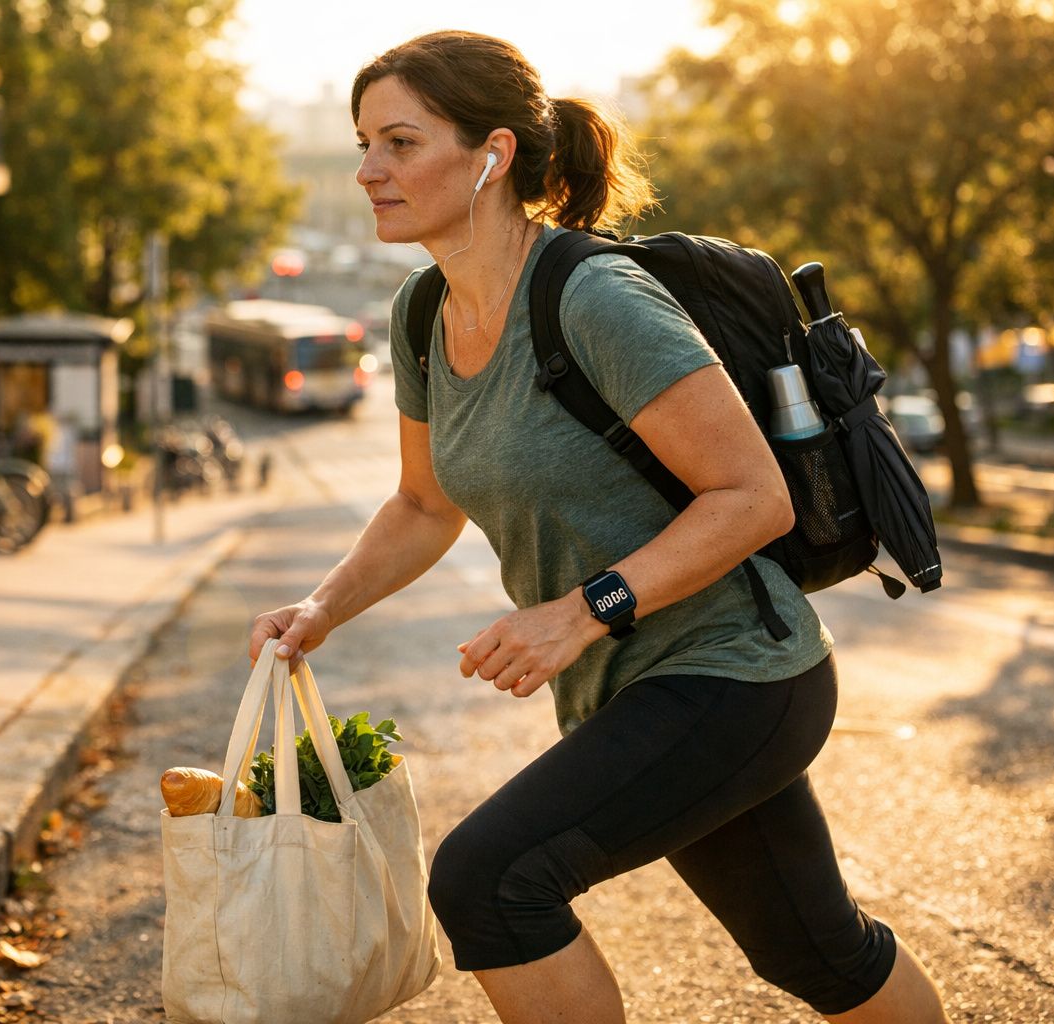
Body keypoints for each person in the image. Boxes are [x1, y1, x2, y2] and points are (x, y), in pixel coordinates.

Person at [248, 30, 953, 1024]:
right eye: (363, 142)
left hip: (738, 672)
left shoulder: (593, 296)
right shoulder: (422, 317)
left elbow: (755, 496)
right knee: (820, 952)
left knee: (490, 880)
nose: (368, 171)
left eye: (399, 143)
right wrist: (323, 607)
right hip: (633, 691)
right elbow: (421, 503)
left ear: (491, 153)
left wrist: (578, 613)